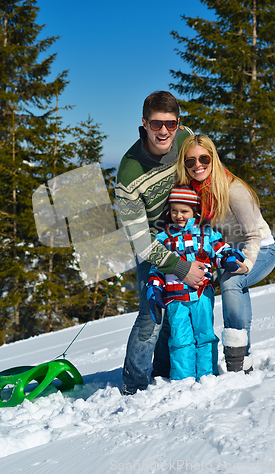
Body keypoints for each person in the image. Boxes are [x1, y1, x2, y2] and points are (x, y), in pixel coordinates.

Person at [115, 91, 208, 395]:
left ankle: (165, 372)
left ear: (178, 123)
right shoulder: (129, 174)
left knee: (182, 306)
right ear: (144, 123)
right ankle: (134, 386)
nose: (164, 131)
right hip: (153, 243)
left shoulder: (185, 139)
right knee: (152, 315)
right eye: (156, 125)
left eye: (170, 124)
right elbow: (141, 244)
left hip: (186, 234)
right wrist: (180, 269)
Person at [176, 134, 275, 373]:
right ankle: (247, 359)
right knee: (236, 287)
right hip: (227, 253)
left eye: (204, 158)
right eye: (190, 161)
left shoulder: (234, 190)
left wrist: (248, 264)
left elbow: (253, 237)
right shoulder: (191, 192)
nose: (197, 165)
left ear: (213, 159)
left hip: (261, 249)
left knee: (233, 280)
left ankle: (235, 360)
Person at [147, 185, 244, 381]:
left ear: (194, 212)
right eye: (174, 210)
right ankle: (183, 379)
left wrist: (228, 258)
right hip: (175, 298)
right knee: (180, 339)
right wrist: (154, 289)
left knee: (205, 334)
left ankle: (208, 375)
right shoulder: (163, 239)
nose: (178, 215)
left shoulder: (206, 234)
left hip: (202, 294)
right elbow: (157, 268)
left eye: (184, 211)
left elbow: (219, 250)